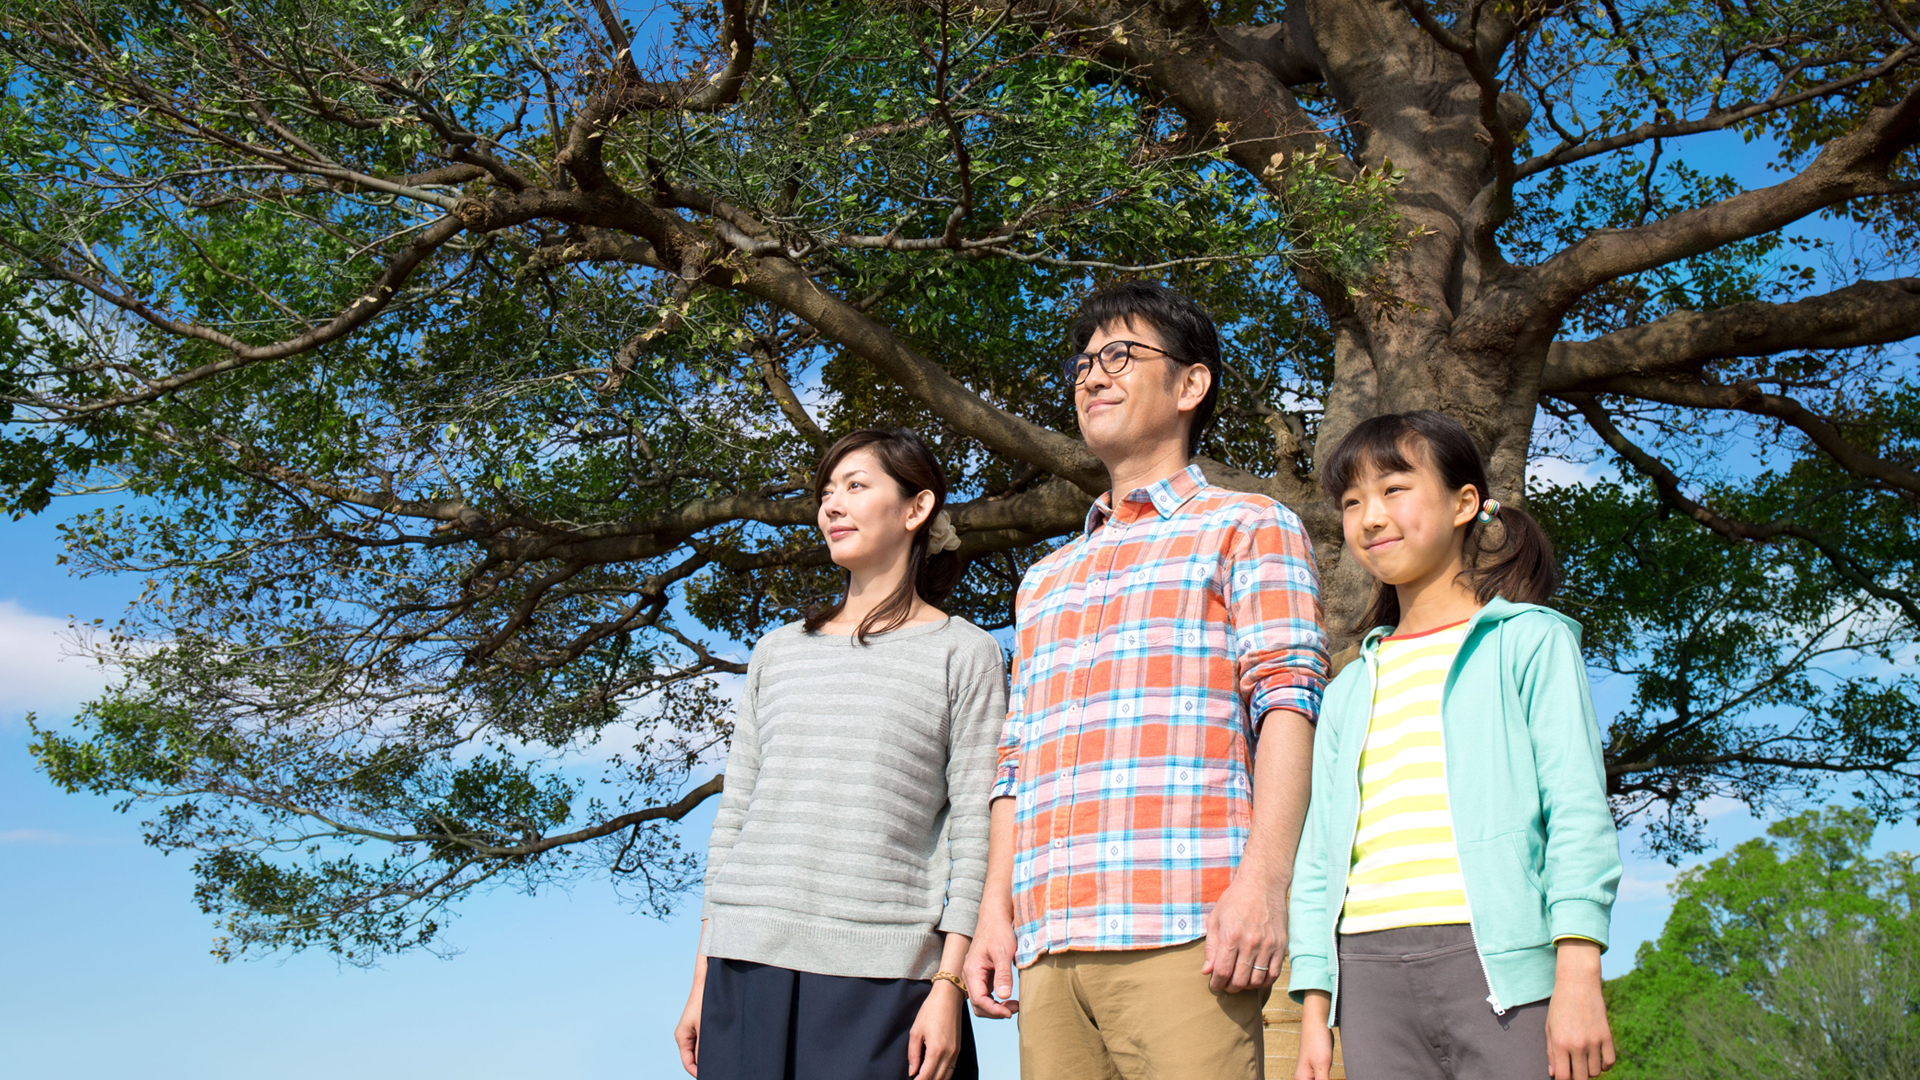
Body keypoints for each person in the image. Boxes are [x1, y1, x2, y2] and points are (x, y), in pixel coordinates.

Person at [963, 280, 1329, 1080]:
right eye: (1084, 362)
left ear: (1191, 384)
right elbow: (1016, 760)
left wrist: (1266, 883)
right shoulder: (1046, 579)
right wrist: (995, 911)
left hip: (1190, 928)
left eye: (1121, 356)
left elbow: (1289, 704)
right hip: (1050, 945)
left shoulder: (1249, 525)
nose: (1093, 376)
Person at [1288, 410, 1624, 1080]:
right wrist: (1314, 1014)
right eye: (1351, 502)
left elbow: (1577, 810)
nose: (1370, 517)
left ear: (1465, 502)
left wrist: (1579, 971)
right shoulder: (1351, 685)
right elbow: (1319, 856)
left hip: (1502, 962)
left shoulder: (1530, 640)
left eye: (1395, 489)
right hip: (1368, 977)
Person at [674, 428, 1006, 1080]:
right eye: (827, 491)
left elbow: (977, 827)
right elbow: (734, 819)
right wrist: (702, 976)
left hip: (885, 981)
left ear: (916, 509)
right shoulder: (777, 651)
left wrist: (950, 985)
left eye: (856, 486)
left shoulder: (965, 653)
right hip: (746, 969)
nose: (831, 505)